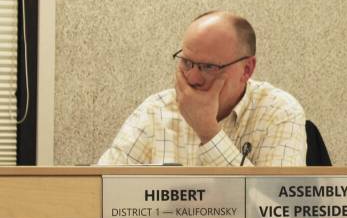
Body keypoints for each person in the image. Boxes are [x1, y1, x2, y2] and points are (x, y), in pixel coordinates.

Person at [99, 11, 307, 166]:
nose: (193, 78)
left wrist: (208, 131)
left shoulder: (279, 112)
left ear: (246, 69)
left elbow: (276, 210)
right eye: (187, 63)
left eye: (209, 67)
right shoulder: (156, 110)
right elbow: (102, 193)